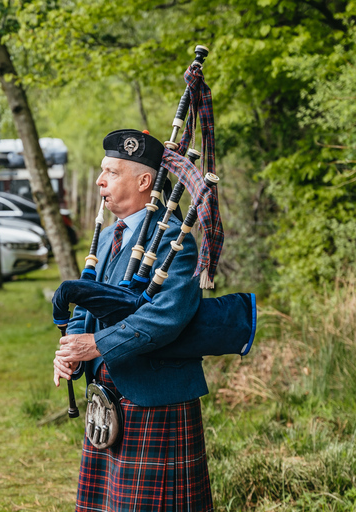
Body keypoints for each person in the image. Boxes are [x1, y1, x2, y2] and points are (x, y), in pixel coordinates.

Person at [53, 129, 214, 511]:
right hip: (108, 397)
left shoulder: (175, 239)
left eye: (111, 172)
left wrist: (96, 345)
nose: (100, 180)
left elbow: (166, 317)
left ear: (144, 181)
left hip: (154, 398)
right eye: (101, 171)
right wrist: (72, 351)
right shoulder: (110, 236)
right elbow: (89, 301)